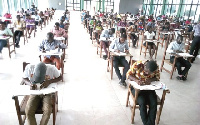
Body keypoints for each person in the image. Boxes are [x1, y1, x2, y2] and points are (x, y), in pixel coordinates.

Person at [127, 60, 160, 125]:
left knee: (153, 103)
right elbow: (128, 75)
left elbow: (157, 77)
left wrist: (150, 80)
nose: (147, 74)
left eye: (150, 73)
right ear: (145, 66)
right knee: (142, 102)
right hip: (136, 88)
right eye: (147, 72)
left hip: (149, 88)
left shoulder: (155, 68)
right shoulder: (137, 65)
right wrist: (136, 80)